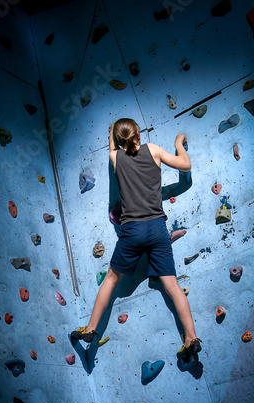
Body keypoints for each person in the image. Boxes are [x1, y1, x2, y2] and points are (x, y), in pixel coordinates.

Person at [71, 118, 201, 360]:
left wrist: (111, 132)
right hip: (156, 228)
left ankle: (90, 330)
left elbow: (112, 148)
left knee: (110, 280)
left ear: (117, 141)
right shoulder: (152, 149)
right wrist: (178, 142)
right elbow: (185, 165)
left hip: (131, 230)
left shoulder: (115, 158)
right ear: (139, 134)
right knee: (172, 285)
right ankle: (191, 337)